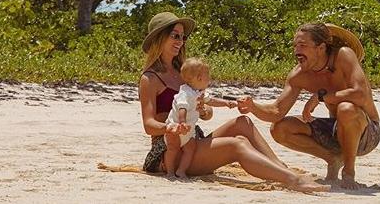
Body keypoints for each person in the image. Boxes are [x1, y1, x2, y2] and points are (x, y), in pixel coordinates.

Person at [138, 11, 327, 193]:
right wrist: (171, 127)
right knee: (237, 144)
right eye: (175, 36)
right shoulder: (150, 79)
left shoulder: (185, 71)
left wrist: (204, 111)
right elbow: (149, 125)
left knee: (243, 123)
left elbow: (207, 113)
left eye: (182, 37)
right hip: (170, 150)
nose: (180, 41)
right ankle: (292, 180)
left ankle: (282, 169)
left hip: (193, 140)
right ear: (160, 38)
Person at [237, 22, 380, 190]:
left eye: (303, 45)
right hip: (335, 133)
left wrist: (321, 97)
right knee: (280, 128)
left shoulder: (343, 55)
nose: (297, 51)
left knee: (346, 109)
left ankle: (349, 172)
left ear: (321, 48)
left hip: (367, 134)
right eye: (295, 46)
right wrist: (253, 106)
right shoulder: (299, 74)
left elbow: (361, 94)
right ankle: (332, 159)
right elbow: (277, 112)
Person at [164, 58, 237, 178]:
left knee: (190, 149)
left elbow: (211, 100)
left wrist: (226, 103)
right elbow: (182, 108)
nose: (209, 79)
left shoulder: (199, 92)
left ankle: (181, 170)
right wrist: (182, 123)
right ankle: (170, 172)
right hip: (176, 128)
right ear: (199, 78)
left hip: (189, 131)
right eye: (207, 77)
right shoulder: (185, 93)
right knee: (172, 149)